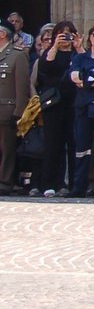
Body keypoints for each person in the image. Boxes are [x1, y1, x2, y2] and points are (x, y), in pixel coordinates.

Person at [30, 22, 77, 197]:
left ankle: (73, 184)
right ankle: (48, 183)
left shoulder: (77, 54)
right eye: (61, 34)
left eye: (69, 34)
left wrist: (77, 46)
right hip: (54, 105)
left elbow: (86, 67)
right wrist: (55, 46)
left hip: (73, 104)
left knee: (74, 145)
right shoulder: (50, 53)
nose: (65, 38)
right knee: (52, 145)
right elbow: (45, 67)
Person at [0, 23, 32, 194]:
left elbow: (22, 87)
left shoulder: (16, 56)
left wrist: (19, 112)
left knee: (7, 149)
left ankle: (5, 182)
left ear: (3, 34)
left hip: (6, 110)